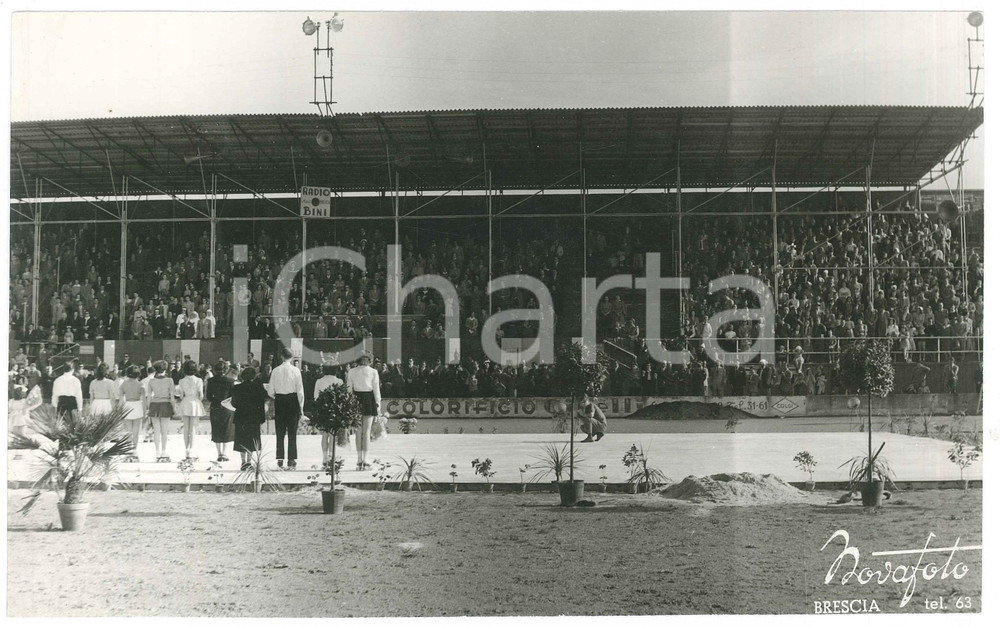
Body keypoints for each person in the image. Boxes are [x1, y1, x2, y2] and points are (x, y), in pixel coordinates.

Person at [268, 347, 304, 470]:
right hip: (293, 401)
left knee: (280, 431)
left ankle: (280, 458)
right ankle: (292, 459)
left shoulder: (275, 370)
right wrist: (301, 407)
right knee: (292, 431)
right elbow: (300, 391)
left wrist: (276, 396)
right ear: (292, 357)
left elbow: (270, 391)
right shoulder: (296, 371)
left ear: (282, 357)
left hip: (280, 401)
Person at [346, 352, 381, 471]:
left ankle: (361, 459)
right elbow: (376, 389)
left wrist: (350, 404)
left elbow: (349, 390)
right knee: (365, 432)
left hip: (357, 399)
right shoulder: (373, 372)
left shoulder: (352, 371)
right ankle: (363, 459)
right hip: (367, 399)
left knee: (359, 432)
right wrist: (378, 404)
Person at [231, 366, 269, 471]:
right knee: (252, 439)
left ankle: (243, 462)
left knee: (241, 439)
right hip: (254, 416)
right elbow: (261, 404)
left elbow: (234, 403)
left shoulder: (237, 388)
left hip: (241, 416)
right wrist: (262, 418)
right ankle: (249, 461)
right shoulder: (258, 387)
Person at [313, 363, 344, 470]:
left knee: (324, 435)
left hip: (323, 411)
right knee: (333, 436)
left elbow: (315, 397)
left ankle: (325, 458)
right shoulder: (339, 381)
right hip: (335, 411)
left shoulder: (319, 381)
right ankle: (331, 458)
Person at [176, 360, 206, 461]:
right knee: (193, 428)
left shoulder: (181, 381)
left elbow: (180, 396)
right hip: (195, 402)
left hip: (185, 402)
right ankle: (192, 450)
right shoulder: (199, 380)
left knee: (186, 428)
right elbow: (201, 395)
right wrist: (197, 400)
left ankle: (186, 449)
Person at [146, 360, 175, 462]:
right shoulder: (170, 380)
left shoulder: (151, 381)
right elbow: (172, 396)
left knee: (156, 430)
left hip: (154, 404)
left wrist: (148, 407)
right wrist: (174, 407)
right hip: (165, 404)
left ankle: (157, 451)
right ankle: (163, 451)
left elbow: (149, 396)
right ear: (165, 369)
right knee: (164, 430)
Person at [206, 362, 234, 462]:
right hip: (227, 407)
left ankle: (219, 453)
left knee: (216, 429)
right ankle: (225, 453)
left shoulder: (211, 381)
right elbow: (232, 396)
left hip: (215, 406)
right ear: (226, 370)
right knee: (227, 429)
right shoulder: (230, 381)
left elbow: (209, 397)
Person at [120, 365, 145, 462]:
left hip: (127, 405)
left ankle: (129, 450)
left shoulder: (123, 384)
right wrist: (144, 409)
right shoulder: (140, 384)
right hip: (137, 405)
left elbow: (121, 398)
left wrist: (120, 410)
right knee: (136, 431)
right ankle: (134, 450)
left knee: (128, 431)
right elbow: (144, 399)